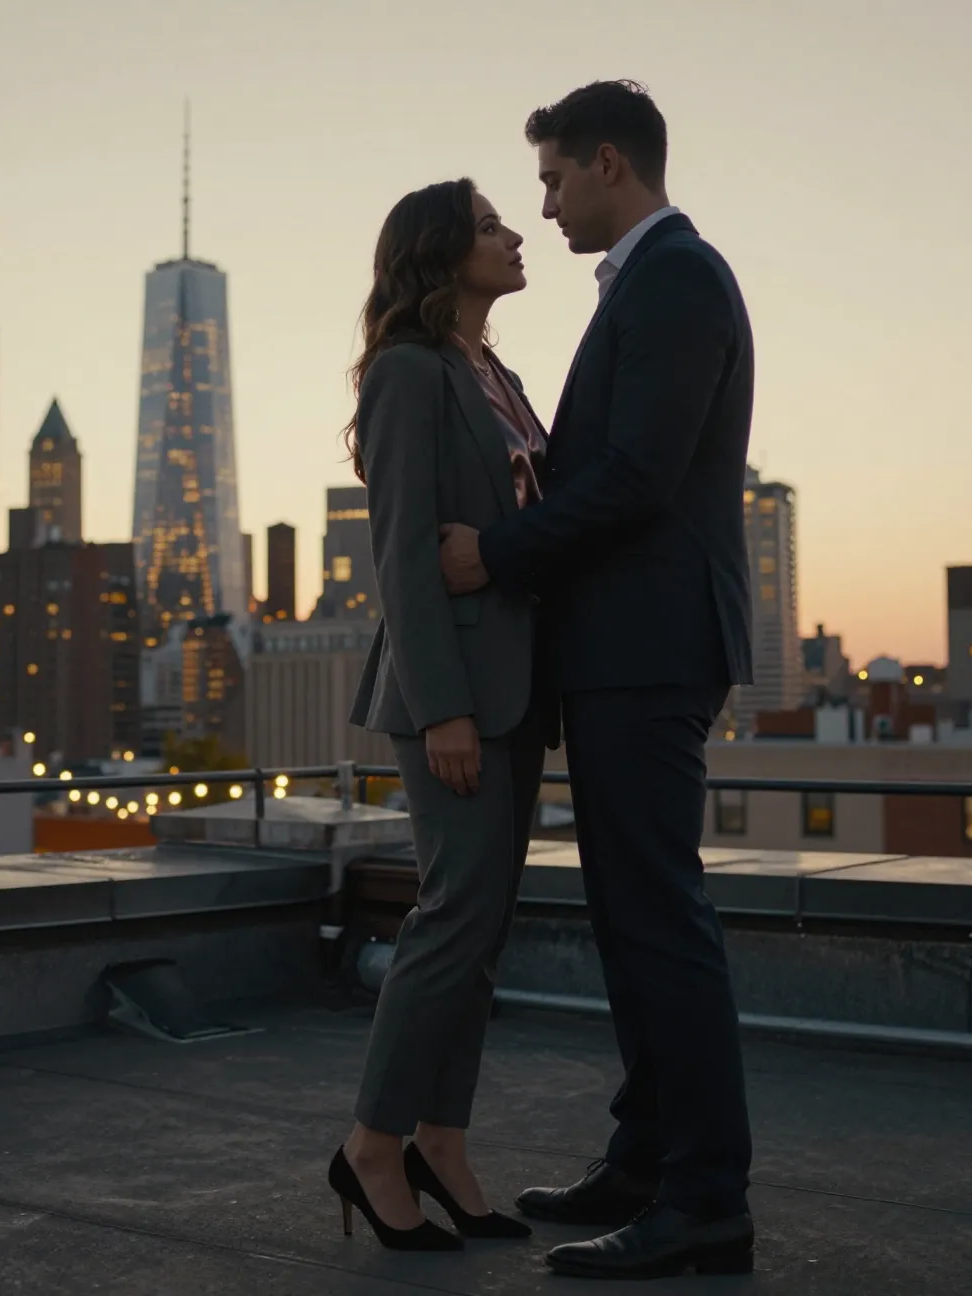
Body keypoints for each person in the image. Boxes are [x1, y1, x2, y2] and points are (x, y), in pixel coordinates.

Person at [438, 80, 758, 1279]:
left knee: (661, 922)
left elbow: (636, 476)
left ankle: (706, 1197)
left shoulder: (675, 277)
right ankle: (646, 1157)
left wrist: (492, 554)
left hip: (652, 647)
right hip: (631, 646)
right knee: (633, 920)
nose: (546, 205)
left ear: (609, 164)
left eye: (554, 181)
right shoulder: (650, 283)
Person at [327, 178, 551, 1252]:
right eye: (491, 227)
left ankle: (443, 1140)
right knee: (452, 915)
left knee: (482, 931)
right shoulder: (409, 375)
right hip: (450, 697)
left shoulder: (496, 373)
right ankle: (373, 1145)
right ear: (440, 253)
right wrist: (446, 711)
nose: (516, 236)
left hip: (516, 685)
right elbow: (404, 555)